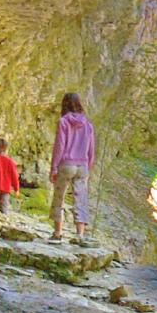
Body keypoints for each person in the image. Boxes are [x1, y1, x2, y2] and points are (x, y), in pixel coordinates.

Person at [48, 91, 95, 243]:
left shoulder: (63, 122)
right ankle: (80, 235)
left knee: (59, 198)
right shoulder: (88, 125)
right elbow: (91, 149)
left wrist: (54, 167)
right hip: (82, 165)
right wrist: (88, 166)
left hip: (66, 164)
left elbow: (59, 146)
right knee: (80, 199)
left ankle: (57, 233)